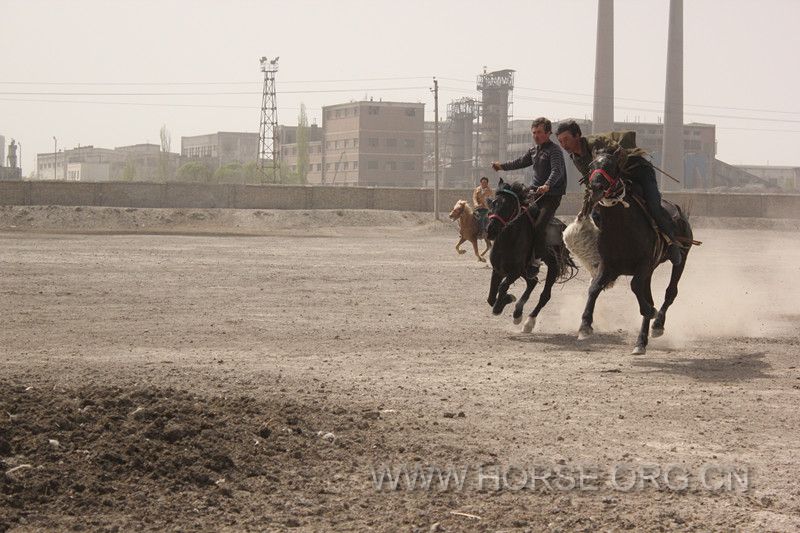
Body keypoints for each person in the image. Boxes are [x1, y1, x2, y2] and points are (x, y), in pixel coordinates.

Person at [556, 120, 682, 266]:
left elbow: (621, 154)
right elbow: (590, 183)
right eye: (560, 141)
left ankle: (672, 244)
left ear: (577, 135)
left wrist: (614, 177)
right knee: (595, 215)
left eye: (566, 139)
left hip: (637, 171)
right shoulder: (576, 157)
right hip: (614, 181)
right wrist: (585, 209)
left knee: (654, 206)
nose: (564, 144)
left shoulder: (597, 143)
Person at [492, 117, 566, 278]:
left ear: (548, 133)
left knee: (539, 226)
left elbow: (557, 171)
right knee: (516, 218)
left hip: (551, 197)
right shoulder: (534, 151)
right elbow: (519, 162)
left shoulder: (555, 151)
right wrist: (502, 166)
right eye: (534, 132)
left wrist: (547, 185)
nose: (536, 135)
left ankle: (536, 262)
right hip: (534, 193)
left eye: (539, 132)